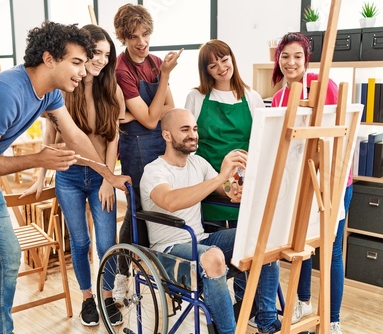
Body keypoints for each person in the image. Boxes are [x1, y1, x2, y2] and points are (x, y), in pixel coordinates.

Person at [0, 21, 131, 334]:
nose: (83, 72)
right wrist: (39, 159)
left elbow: (77, 137)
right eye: (77, 63)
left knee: (7, 257)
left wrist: (109, 174)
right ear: (50, 58)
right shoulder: (4, 92)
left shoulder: (49, 94)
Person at [140, 108, 281, 334]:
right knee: (213, 256)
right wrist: (220, 176)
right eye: (185, 130)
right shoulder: (154, 171)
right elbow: (170, 201)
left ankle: (265, 320)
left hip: (201, 240)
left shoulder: (199, 163)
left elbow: (224, 188)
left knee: (263, 236)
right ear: (167, 135)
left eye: (194, 129)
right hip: (167, 251)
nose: (193, 135)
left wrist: (235, 187)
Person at [20, 25, 125, 327]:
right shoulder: (63, 89)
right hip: (69, 177)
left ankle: (107, 297)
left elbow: (113, 139)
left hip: (101, 177)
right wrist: (41, 177)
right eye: (96, 52)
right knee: (79, 242)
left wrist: (107, 178)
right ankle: (88, 299)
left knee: (107, 243)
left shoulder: (111, 89)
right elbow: (50, 136)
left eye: (107, 54)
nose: (101, 60)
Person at [271, 32, 353, 334]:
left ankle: (332, 320)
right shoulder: (279, 96)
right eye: (285, 56)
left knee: (330, 251)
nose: (290, 62)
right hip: (300, 183)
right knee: (300, 246)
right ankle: (303, 303)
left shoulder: (325, 86)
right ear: (278, 59)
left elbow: (339, 133)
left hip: (333, 182)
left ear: (307, 59)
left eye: (297, 56)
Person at [112, 3, 183, 301]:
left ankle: (162, 275)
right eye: (134, 37)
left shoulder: (155, 62)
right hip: (135, 146)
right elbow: (152, 118)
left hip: (159, 141)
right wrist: (164, 77)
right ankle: (122, 275)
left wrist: (145, 113)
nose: (141, 42)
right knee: (139, 209)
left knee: (164, 205)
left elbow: (170, 109)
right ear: (123, 38)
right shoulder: (121, 69)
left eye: (145, 34)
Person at [185, 39, 265, 226]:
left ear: (232, 59)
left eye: (224, 60)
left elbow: (261, 143)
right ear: (206, 71)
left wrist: (239, 181)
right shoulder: (196, 97)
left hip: (242, 182)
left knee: (240, 244)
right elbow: (187, 140)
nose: (221, 68)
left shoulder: (252, 97)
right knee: (213, 245)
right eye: (213, 65)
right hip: (209, 180)